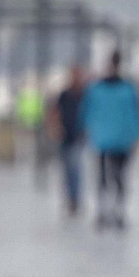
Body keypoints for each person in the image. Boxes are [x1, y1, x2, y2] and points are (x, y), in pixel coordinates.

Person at [81, 50, 139, 229]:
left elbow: (87, 113)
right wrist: (138, 134)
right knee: (120, 176)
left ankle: (103, 209)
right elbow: (136, 114)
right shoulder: (128, 89)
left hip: (102, 138)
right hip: (122, 139)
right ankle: (117, 209)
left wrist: (87, 129)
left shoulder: (96, 89)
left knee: (103, 176)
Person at [48, 65, 87, 217]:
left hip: (78, 137)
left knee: (75, 167)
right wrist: (55, 127)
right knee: (66, 170)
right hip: (64, 136)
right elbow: (55, 111)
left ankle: (75, 199)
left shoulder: (84, 94)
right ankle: (70, 197)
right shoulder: (64, 94)